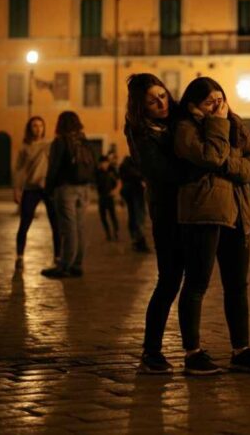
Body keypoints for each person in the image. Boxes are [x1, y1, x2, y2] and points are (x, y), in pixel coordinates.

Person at [174, 77, 250, 375]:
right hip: (205, 212)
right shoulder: (186, 129)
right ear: (192, 106)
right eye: (209, 101)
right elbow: (211, 155)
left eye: (220, 98)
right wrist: (218, 125)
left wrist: (230, 166)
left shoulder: (235, 123)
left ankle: (241, 350)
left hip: (238, 212)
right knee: (197, 283)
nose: (217, 105)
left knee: (237, 286)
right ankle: (193, 352)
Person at [124, 73, 185, 374]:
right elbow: (159, 172)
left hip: (195, 209)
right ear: (141, 107)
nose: (161, 102)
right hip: (167, 212)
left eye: (162, 95)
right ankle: (151, 350)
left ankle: (194, 348)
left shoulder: (178, 119)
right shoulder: (140, 132)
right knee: (170, 280)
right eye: (152, 100)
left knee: (195, 282)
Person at [41, 111, 96, 278]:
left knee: (68, 228)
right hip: (84, 189)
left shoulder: (60, 142)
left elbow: (53, 168)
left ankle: (64, 265)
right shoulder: (85, 141)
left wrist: (48, 189)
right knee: (79, 227)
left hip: (66, 189)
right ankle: (77, 265)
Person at [13, 116, 61, 271]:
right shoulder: (24, 147)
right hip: (30, 189)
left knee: (56, 224)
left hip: (48, 189)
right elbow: (19, 170)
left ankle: (58, 257)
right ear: (29, 128)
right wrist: (17, 189)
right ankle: (19, 257)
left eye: (41, 125)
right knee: (24, 224)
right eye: (34, 125)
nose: (38, 128)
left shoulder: (50, 145)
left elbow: (56, 164)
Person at [119, 155, 150, 253]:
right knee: (138, 216)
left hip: (131, 192)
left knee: (134, 216)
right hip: (135, 192)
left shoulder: (126, 164)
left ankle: (136, 239)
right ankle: (139, 241)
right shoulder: (132, 163)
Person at [95, 155, 120, 241]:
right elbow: (94, 183)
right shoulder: (98, 172)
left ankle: (116, 232)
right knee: (103, 217)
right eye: (102, 163)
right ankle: (108, 233)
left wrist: (115, 191)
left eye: (105, 163)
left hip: (110, 196)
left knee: (113, 216)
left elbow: (118, 182)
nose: (104, 165)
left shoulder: (112, 170)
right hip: (102, 197)